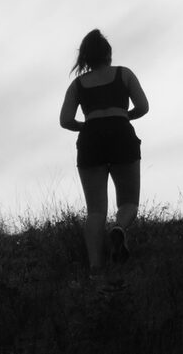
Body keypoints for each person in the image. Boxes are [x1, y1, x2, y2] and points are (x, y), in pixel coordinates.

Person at [59, 29, 150, 273]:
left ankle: (96, 268)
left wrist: (86, 125)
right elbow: (143, 106)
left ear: (86, 58)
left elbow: (65, 120)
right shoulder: (124, 74)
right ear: (108, 54)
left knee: (96, 210)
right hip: (121, 133)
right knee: (129, 202)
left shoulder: (77, 84)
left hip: (90, 139)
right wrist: (122, 116)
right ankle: (119, 227)